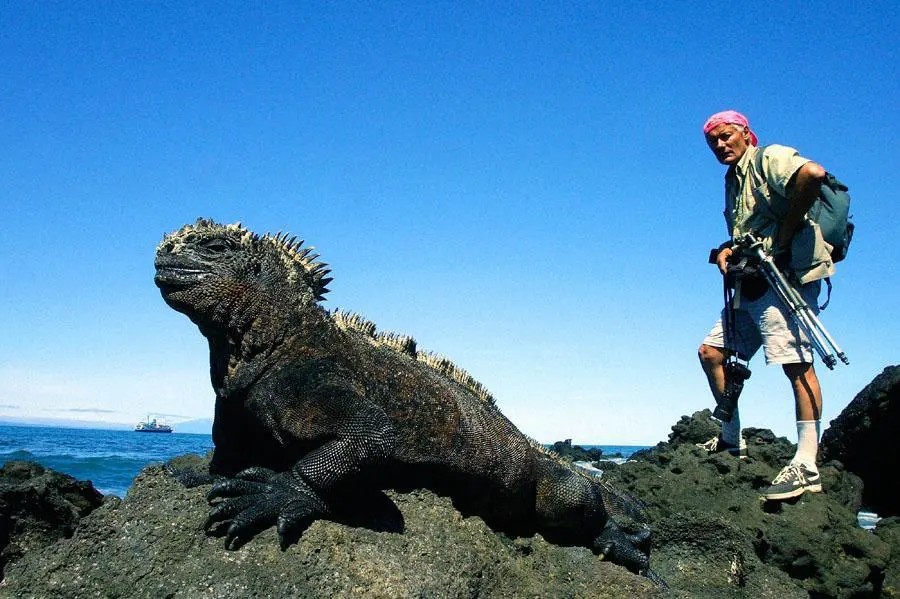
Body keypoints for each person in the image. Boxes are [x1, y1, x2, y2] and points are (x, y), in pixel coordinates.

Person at [697, 110, 835, 501]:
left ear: (745, 133)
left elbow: (812, 174)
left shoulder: (769, 157)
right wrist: (726, 250)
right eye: (713, 142)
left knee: (795, 364)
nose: (720, 145)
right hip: (751, 281)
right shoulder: (733, 181)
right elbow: (746, 231)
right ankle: (730, 439)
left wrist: (786, 234)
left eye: (726, 136)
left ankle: (807, 463)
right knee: (711, 353)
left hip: (784, 279)